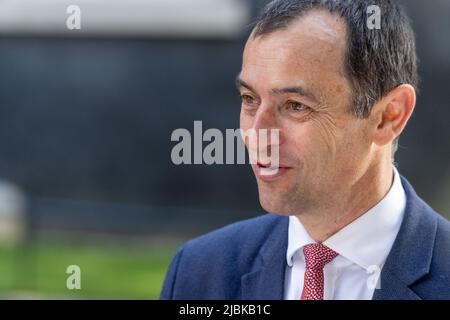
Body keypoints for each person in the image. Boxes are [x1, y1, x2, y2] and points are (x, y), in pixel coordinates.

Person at [160, 0, 450, 300]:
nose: (257, 136)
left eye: (295, 106)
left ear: (389, 116)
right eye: (249, 98)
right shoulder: (199, 274)